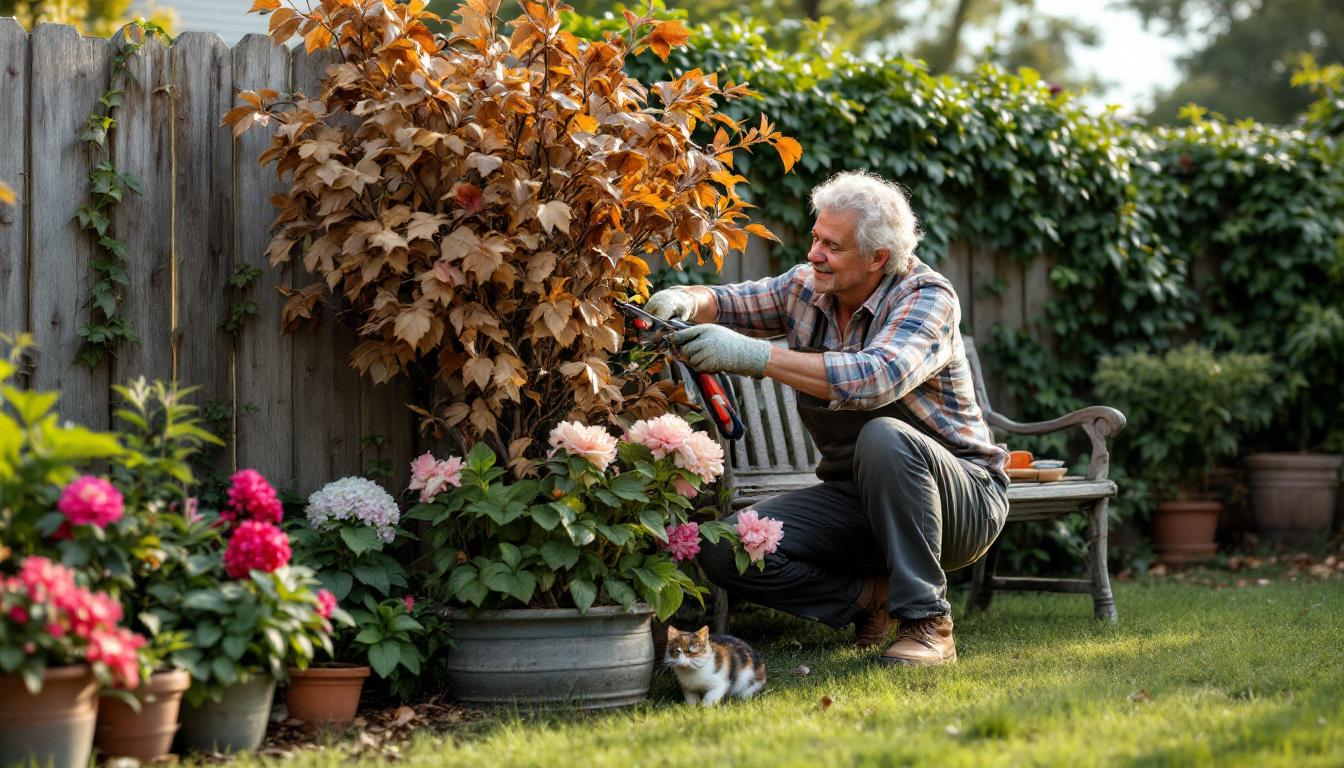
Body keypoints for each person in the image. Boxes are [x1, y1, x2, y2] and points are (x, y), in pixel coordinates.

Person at [644, 170, 1009, 666]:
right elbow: (727, 301)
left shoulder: (927, 297)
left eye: (832, 246)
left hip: (961, 501)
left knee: (885, 435)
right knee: (725, 546)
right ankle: (865, 599)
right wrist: (688, 299)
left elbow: (878, 377)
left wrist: (756, 358)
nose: (814, 254)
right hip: (854, 498)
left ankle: (928, 623)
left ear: (878, 257)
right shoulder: (806, 288)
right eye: (816, 238)